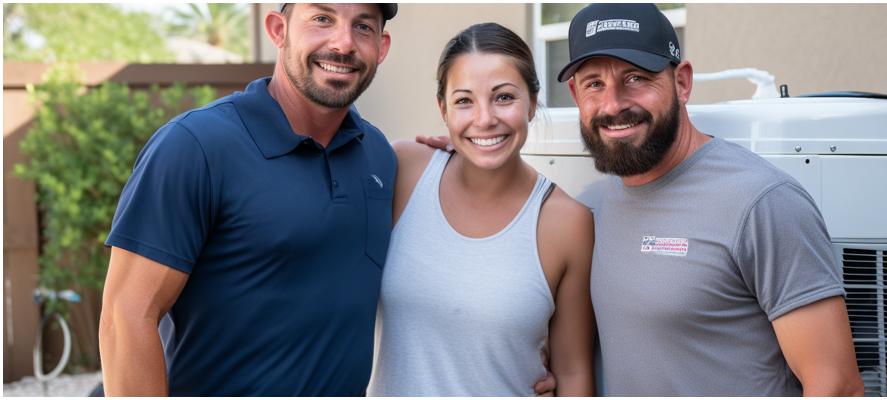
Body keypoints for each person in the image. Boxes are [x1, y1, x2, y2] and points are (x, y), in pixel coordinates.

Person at [557, 3, 865, 396]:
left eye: (636, 78)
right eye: (594, 84)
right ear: (574, 94)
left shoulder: (761, 202)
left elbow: (837, 386)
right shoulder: (594, 204)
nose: (613, 105)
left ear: (682, 82)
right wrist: (457, 158)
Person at [98, 4, 398, 396]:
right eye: (322, 19)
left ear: (382, 46)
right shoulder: (196, 146)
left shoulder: (378, 155)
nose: (343, 43)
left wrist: (462, 151)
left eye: (363, 26)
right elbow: (126, 318)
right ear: (278, 30)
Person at [367, 23, 595, 396]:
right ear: (442, 109)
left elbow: (572, 373)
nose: (484, 118)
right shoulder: (404, 169)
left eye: (504, 97)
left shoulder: (567, 222)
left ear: (533, 103)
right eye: (464, 101)